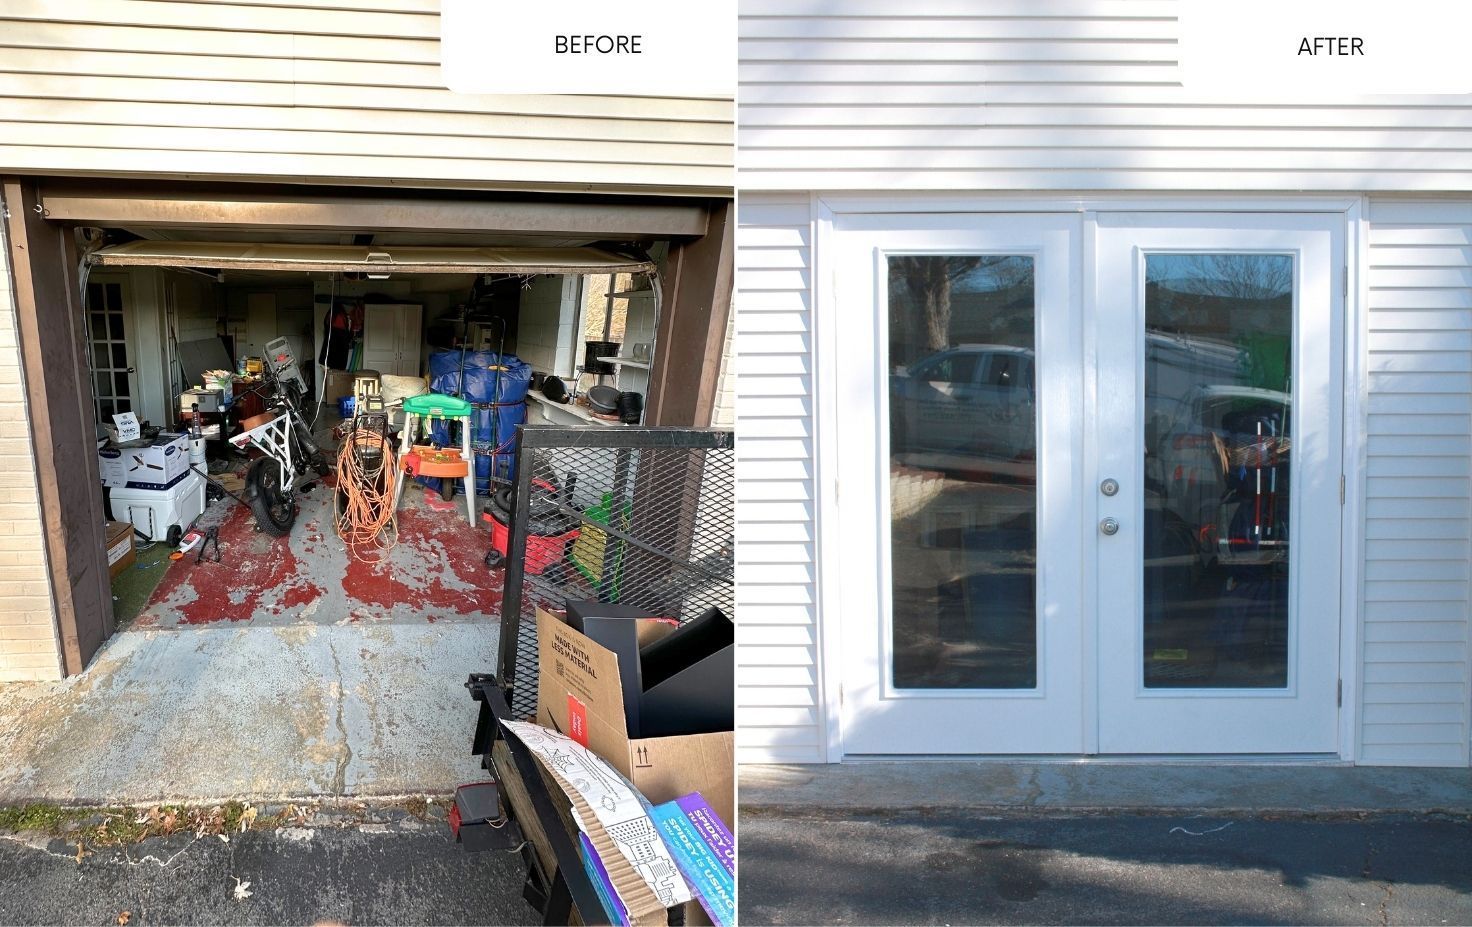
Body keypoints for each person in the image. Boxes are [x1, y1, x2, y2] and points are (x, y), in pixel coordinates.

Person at [319, 300, 353, 369]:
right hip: (341, 346)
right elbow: (348, 333)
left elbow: (326, 326)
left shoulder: (330, 315)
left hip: (332, 345)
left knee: (331, 367)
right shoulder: (343, 316)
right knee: (338, 367)